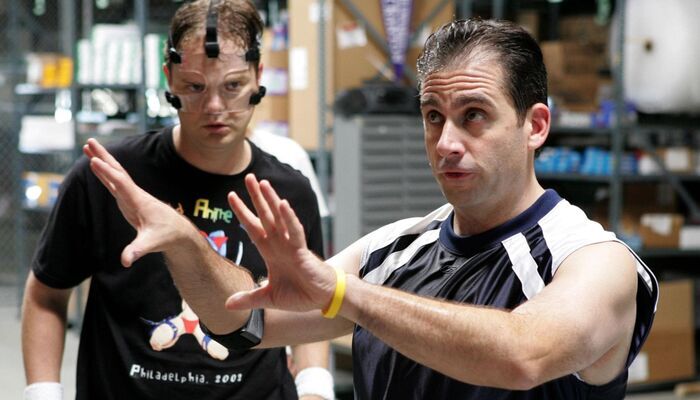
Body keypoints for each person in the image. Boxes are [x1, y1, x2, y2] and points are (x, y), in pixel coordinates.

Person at [82, 18, 659, 399]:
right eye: (433, 117)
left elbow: (523, 355)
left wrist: (344, 295)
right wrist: (186, 244)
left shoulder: (594, 260)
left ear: (535, 126)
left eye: (474, 116)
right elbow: (244, 324)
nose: (446, 142)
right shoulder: (396, 249)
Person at [21, 1, 334, 399]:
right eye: (195, 86)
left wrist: (315, 389)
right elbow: (46, 293)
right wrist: (42, 393)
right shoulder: (110, 178)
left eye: (232, 86)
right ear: (169, 79)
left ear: (258, 77)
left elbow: (311, 303)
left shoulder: (287, 192)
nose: (215, 107)